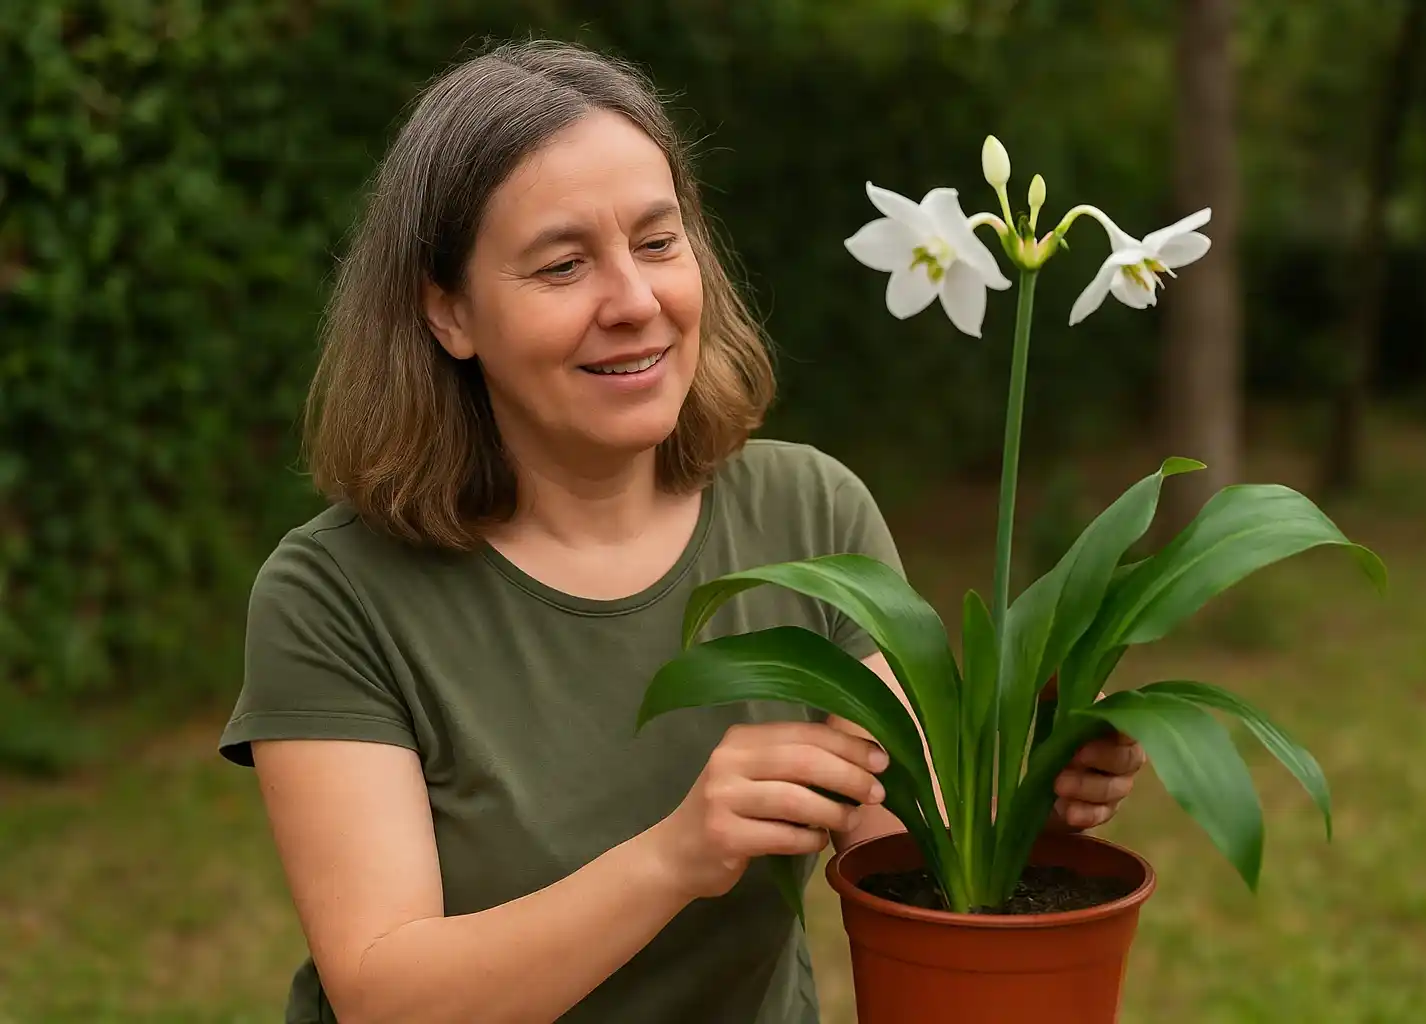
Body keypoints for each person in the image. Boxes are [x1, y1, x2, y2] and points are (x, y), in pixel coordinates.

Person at [219, 38, 1147, 1024]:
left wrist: (1038, 793)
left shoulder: (810, 514)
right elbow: (384, 996)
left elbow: (913, 850)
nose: (635, 302)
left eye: (658, 243)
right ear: (449, 313)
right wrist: (671, 856)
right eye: (564, 263)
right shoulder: (334, 594)